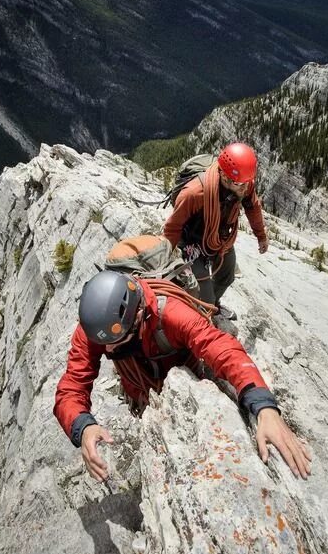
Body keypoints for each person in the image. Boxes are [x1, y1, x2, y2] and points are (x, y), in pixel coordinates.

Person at [54, 270, 311, 482]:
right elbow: (71, 386)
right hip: (144, 395)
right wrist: (83, 427)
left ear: (139, 317)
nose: (107, 350)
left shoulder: (172, 314)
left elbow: (220, 347)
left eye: (116, 342)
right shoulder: (97, 328)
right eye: (106, 343)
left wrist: (264, 406)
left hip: (186, 380)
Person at [162, 143, 269, 319]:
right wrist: (166, 259)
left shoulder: (243, 183)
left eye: (247, 183)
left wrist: (261, 236)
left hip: (220, 238)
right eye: (239, 184)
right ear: (225, 177)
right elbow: (173, 227)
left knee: (227, 277)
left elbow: (253, 207)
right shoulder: (195, 193)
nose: (245, 189)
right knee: (206, 297)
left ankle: (214, 306)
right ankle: (202, 314)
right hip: (192, 241)